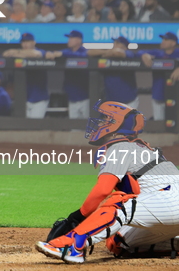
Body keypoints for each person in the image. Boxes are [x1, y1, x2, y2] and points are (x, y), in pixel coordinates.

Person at [36, 100, 179, 264]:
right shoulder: (140, 148)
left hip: (170, 200)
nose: (99, 123)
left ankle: (72, 246)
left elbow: (103, 190)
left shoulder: (120, 147)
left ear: (115, 123)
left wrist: (76, 218)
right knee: (118, 242)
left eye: (105, 119)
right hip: (166, 207)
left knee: (118, 202)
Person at [2, 33, 49, 118]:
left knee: (35, 126)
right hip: (23, 99)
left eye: (28, 41)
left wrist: (17, 53)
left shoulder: (40, 51)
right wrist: (19, 53)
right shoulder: (18, 52)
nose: (25, 44)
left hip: (39, 99)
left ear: (34, 42)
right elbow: (5, 54)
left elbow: (36, 54)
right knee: (23, 127)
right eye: (23, 42)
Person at [45, 30, 90, 119]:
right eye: (69, 38)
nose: (69, 40)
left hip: (86, 97)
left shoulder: (84, 52)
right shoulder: (66, 51)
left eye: (72, 38)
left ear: (79, 40)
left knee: (87, 127)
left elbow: (81, 55)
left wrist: (63, 54)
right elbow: (56, 53)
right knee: (74, 128)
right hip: (72, 97)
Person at [137, 32, 179, 120]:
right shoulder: (157, 53)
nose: (163, 42)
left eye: (166, 40)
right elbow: (139, 52)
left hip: (175, 95)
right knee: (159, 123)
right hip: (159, 94)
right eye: (162, 39)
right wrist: (145, 55)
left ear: (173, 43)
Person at [89, 36, 139, 109]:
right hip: (112, 102)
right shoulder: (108, 55)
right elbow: (90, 52)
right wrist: (106, 52)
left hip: (129, 101)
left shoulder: (129, 53)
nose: (114, 44)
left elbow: (118, 53)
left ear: (124, 46)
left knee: (129, 120)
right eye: (114, 42)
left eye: (118, 43)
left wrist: (106, 54)